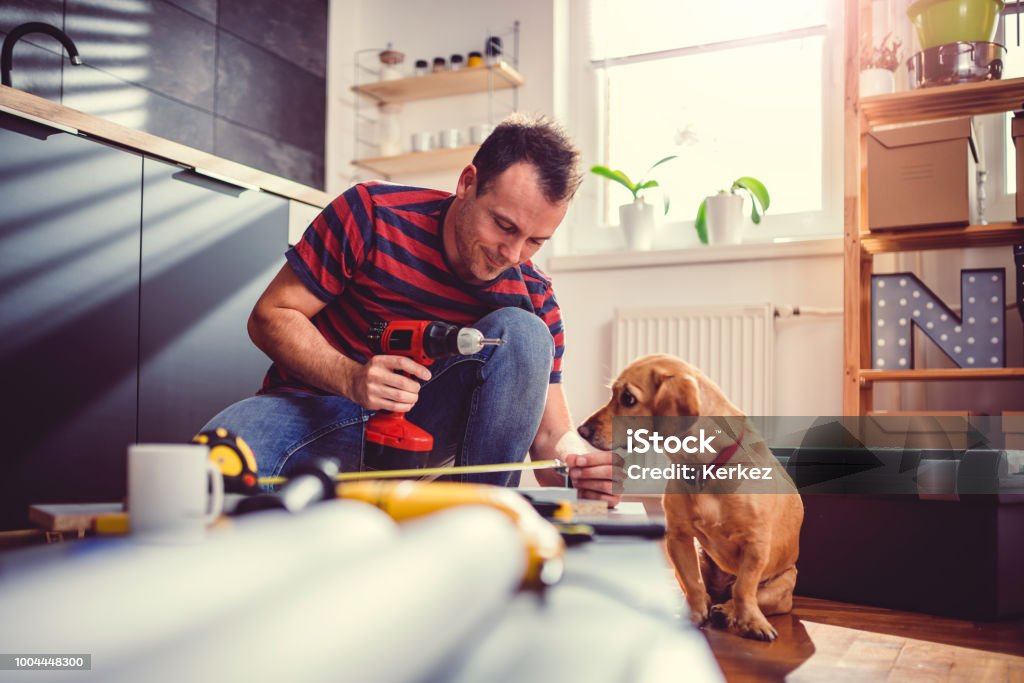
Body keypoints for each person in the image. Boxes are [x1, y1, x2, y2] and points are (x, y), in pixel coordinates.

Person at [200, 114, 619, 504]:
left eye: (535, 241)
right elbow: (271, 315)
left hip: (420, 436)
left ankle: (481, 520)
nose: (512, 253)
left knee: (525, 332)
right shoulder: (372, 214)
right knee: (209, 470)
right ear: (467, 182)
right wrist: (351, 377)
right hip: (310, 412)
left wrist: (580, 469)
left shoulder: (533, 292)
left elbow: (550, 433)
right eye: (504, 226)